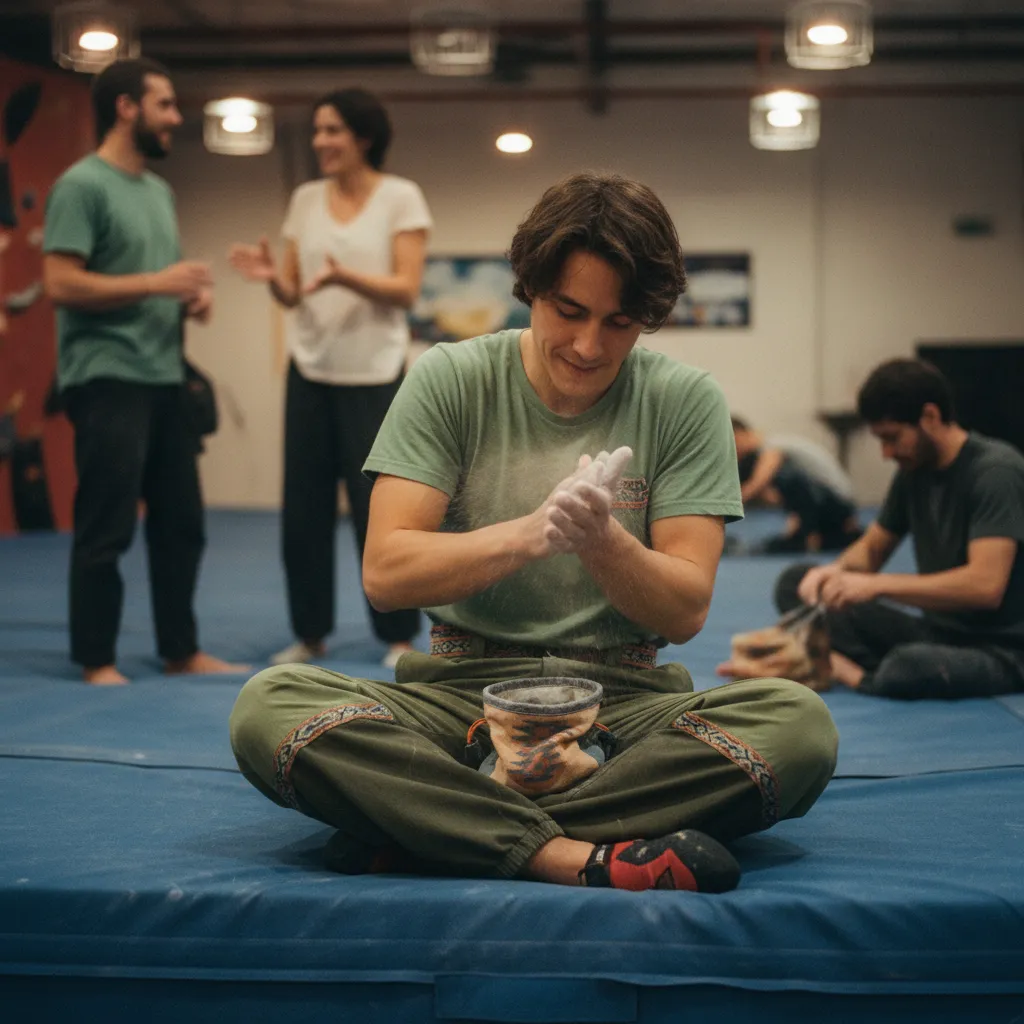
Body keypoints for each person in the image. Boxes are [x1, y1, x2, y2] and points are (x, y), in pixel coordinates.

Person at [229, 172, 838, 893]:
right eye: (568, 310)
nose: (588, 345)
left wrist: (603, 541)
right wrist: (532, 534)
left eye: (619, 322)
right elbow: (386, 573)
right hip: (459, 698)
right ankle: (573, 856)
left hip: (622, 704)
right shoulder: (450, 378)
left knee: (799, 726)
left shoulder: (685, 400)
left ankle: (430, 826)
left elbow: (683, 610)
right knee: (268, 707)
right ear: (530, 287)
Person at [43, 58, 244, 685]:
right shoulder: (81, 186)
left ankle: (181, 651)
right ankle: (96, 659)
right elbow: (60, 283)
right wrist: (158, 283)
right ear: (126, 108)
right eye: (165, 105)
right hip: (106, 377)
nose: (176, 118)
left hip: (164, 377)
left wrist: (190, 298)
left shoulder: (159, 192)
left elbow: (154, 281)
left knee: (182, 523)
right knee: (106, 525)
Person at [229, 88, 430, 669]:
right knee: (304, 511)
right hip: (311, 371)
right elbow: (293, 292)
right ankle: (310, 634)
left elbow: (406, 289)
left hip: (376, 373)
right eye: (317, 130)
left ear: (363, 137)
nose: (320, 141)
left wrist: (348, 278)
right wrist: (272, 279)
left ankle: (397, 636)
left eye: (332, 130)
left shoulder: (401, 197)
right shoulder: (305, 199)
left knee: (380, 508)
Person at [774, 358, 1024, 699]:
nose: (886, 453)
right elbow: (872, 549)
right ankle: (863, 663)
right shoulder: (913, 472)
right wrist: (833, 574)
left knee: (910, 666)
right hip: (938, 633)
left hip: (1003, 649)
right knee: (795, 583)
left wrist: (876, 585)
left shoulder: (995, 473)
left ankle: (851, 671)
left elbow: (985, 586)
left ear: (930, 417)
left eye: (892, 438)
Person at [732, 416, 862, 553]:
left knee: (784, 477)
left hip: (836, 501)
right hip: (830, 500)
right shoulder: (776, 444)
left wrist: (728, 503)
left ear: (741, 434)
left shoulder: (772, 447)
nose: (736, 450)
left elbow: (758, 483)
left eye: (734, 443)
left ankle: (813, 535)